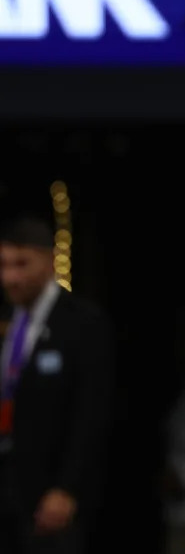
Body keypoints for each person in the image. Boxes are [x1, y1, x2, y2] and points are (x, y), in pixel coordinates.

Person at [0, 217, 113, 554]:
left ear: (49, 261)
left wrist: (68, 487)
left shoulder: (82, 323)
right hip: (9, 482)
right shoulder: (9, 319)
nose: (11, 277)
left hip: (52, 490)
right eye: (4, 265)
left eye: (22, 264)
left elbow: (93, 413)